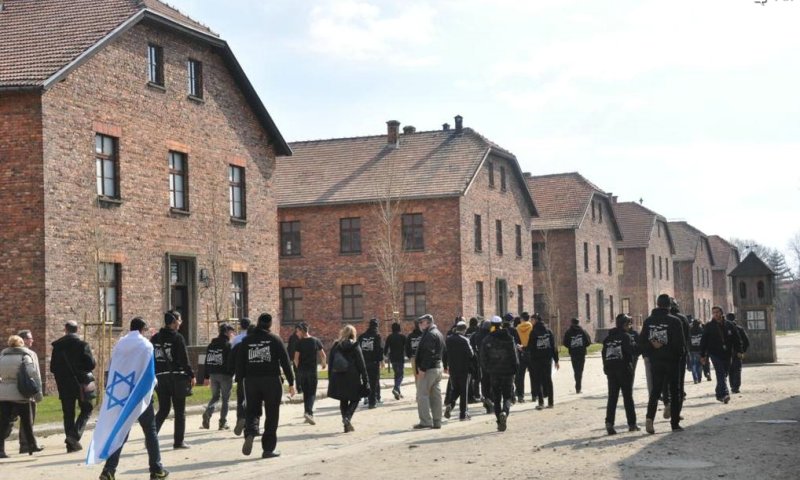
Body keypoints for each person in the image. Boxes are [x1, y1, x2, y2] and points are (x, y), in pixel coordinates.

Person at [92, 317, 168, 480]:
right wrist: (152, 386)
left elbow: (114, 367)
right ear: (143, 329)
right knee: (150, 431)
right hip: (140, 394)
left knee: (121, 429)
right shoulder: (146, 345)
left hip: (121, 393)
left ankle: (109, 469)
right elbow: (149, 371)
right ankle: (156, 469)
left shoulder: (119, 344)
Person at [236, 313, 295, 458]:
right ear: (269, 325)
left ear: (257, 323)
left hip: (251, 381)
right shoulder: (275, 340)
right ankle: (268, 449)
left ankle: (250, 432)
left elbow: (240, 363)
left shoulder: (246, 341)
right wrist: (291, 382)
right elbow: (286, 362)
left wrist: (241, 381)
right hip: (272, 381)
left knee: (252, 410)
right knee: (272, 414)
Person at [639, 294, 684, 434]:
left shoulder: (648, 321)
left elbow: (641, 342)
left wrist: (652, 348)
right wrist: (676, 354)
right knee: (674, 392)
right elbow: (680, 345)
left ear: (657, 304)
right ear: (669, 306)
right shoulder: (675, 321)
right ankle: (674, 423)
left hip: (656, 361)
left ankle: (649, 419)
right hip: (672, 361)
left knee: (655, 391)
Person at [51, 320, 96, 452]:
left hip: (64, 384)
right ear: (77, 330)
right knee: (87, 409)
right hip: (81, 383)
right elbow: (91, 364)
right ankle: (74, 436)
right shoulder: (82, 345)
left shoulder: (57, 346)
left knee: (68, 413)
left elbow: (53, 367)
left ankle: (70, 444)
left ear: (65, 329)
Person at [151, 311, 195, 449]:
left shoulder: (155, 338)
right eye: (180, 319)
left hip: (160, 378)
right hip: (176, 377)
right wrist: (191, 375)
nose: (181, 322)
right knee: (179, 411)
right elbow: (183, 359)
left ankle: (151, 437)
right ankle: (178, 441)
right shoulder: (178, 338)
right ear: (174, 321)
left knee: (163, 409)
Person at [0, 335, 44, 458]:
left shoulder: (2, 357)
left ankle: (1, 449)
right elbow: (32, 373)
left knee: (3, 423)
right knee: (26, 422)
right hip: (20, 394)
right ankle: (31, 445)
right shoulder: (25, 356)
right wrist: (37, 392)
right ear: (21, 344)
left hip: (3, 395)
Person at [328, 325, 369, 433]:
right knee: (355, 398)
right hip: (352, 376)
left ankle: (346, 425)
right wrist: (366, 380)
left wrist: (330, 378)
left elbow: (331, 363)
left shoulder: (336, 345)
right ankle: (347, 418)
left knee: (343, 399)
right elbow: (361, 364)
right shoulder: (355, 345)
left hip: (338, 376)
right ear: (353, 334)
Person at [481, 316, 518, 432]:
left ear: (492, 325)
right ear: (501, 324)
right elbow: (514, 355)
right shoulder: (509, 338)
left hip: (494, 372)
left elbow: (483, 357)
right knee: (507, 396)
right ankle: (504, 413)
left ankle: (499, 421)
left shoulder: (487, 339)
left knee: (497, 398)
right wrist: (515, 369)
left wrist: (487, 369)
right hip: (508, 372)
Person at [603, 314, 638, 435]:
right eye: (629, 324)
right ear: (624, 325)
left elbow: (604, 355)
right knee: (628, 397)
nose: (630, 326)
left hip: (611, 370)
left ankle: (609, 423)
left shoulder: (608, 339)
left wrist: (606, 369)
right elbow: (633, 351)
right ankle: (632, 424)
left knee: (612, 398)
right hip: (624, 370)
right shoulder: (626, 337)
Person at [700, 307, 742, 404]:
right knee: (721, 373)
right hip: (714, 353)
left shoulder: (729, 325)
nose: (715, 314)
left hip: (727, 353)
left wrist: (739, 350)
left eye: (717, 312)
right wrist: (703, 355)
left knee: (724, 374)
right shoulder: (709, 326)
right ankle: (724, 394)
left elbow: (737, 338)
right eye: (714, 313)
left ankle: (719, 393)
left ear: (722, 313)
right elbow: (703, 341)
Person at [413, 314, 446, 429]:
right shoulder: (438, 333)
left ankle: (425, 421)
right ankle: (437, 421)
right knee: (436, 396)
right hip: (437, 368)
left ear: (427, 322)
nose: (420, 325)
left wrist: (422, 369)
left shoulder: (430, 335)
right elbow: (443, 350)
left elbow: (428, 353)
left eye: (421, 322)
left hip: (429, 369)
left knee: (423, 395)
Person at [201, 323, 235, 431]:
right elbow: (231, 361)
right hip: (225, 374)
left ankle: (208, 412)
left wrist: (206, 376)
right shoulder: (228, 345)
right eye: (231, 332)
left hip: (213, 374)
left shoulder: (211, 345)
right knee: (225, 399)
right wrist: (232, 373)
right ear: (226, 332)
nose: (232, 334)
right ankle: (222, 422)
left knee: (215, 396)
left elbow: (207, 360)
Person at [294, 323, 326, 425]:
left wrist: (298, 368)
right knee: (311, 393)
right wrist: (323, 364)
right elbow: (323, 355)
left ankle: (307, 412)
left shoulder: (299, 343)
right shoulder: (315, 341)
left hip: (302, 371)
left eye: (297, 331)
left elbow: (295, 359)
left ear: (301, 330)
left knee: (306, 393)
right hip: (312, 370)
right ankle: (309, 413)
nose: (296, 333)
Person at [444, 320, 475, 421]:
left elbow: (444, 354)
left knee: (456, 389)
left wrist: (445, 366)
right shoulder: (465, 340)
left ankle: (450, 404)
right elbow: (471, 354)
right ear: (464, 330)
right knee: (464, 391)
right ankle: (463, 414)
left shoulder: (448, 339)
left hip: (453, 368)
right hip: (464, 369)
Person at [528, 315, 559, 410]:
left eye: (532, 320)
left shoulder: (533, 332)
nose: (531, 322)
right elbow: (553, 346)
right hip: (547, 359)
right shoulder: (548, 331)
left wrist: (525, 351)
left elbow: (531, 347)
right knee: (548, 380)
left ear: (536, 320)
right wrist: (556, 360)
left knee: (538, 380)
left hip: (536, 359)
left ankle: (541, 402)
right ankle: (551, 402)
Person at [230, 317, 251, 435]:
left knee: (241, 399)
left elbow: (232, 356)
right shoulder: (252, 339)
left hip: (240, 373)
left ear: (240, 326)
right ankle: (250, 423)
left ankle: (240, 418)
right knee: (252, 400)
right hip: (252, 373)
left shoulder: (236, 340)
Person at [357, 318, 383, 408]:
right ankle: (372, 402)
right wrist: (381, 360)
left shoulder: (362, 336)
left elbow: (358, 349)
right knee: (373, 382)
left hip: (363, 362)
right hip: (373, 362)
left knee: (365, 381)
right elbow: (379, 349)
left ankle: (366, 398)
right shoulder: (377, 336)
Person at [562, 318, 591, 394]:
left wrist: (571, 346)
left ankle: (577, 384)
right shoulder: (583, 331)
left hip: (573, 353)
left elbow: (565, 343)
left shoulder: (568, 332)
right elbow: (588, 342)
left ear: (571, 323)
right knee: (580, 369)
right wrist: (582, 346)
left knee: (575, 369)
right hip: (581, 353)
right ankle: (578, 386)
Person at [471, 319, 493, 412]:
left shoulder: (477, 335)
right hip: (492, 361)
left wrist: (476, 352)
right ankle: (491, 400)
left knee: (484, 381)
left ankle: (486, 397)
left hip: (481, 360)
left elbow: (471, 345)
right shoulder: (491, 335)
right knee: (492, 382)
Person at [728, 313, 749, 394]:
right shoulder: (739, 329)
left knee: (730, 370)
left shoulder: (724, 329)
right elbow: (746, 341)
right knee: (737, 370)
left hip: (728, 353)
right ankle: (736, 387)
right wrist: (742, 351)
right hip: (737, 352)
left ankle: (732, 385)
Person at [384, 322, 406, 400]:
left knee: (396, 374)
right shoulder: (402, 337)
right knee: (401, 375)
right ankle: (396, 388)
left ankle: (397, 393)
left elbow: (386, 348)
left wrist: (385, 355)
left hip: (393, 358)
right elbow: (406, 346)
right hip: (400, 358)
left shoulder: (389, 337)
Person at [514, 312, 533, 403]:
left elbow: (516, 342)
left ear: (521, 319)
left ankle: (520, 396)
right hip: (531, 352)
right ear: (528, 318)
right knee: (533, 375)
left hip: (521, 353)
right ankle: (535, 395)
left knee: (520, 376)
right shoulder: (532, 327)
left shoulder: (517, 328)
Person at [287, 324, 303, 395]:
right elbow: (290, 348)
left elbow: (289, 348)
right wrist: (291, 358)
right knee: (298, 374)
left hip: (299, 358)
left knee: (299, 374)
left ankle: (300, 388)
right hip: (296, 358)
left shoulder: (295, 337)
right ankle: (299, 388)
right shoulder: (294, 337)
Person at [688, 317, 704, 384]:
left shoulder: (690, 331)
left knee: (693, 364)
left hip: (692, 350)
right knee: (699, 364)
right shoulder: (701, 330)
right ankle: (699, 377)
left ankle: (695, 379)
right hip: (700, 349)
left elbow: (688, 340)